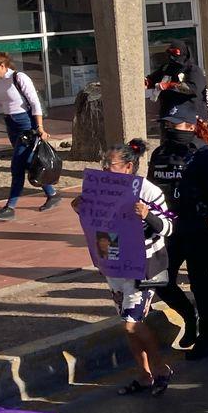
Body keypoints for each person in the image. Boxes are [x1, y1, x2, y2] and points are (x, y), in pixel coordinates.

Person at [72, 139, 175, 395]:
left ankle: (161, 368)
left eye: (111, 165)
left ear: (128, 167)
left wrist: (147, 215)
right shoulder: (100, 189)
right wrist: (81, 209)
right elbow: (97, 222)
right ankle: (144, 375)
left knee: (132, 322)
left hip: (144, 264)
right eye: (103, 164)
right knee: (126, 323)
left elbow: (169, 227)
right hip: (114, 260)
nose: (105, 170)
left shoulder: (148, 191)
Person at [150, 103, 208, 360]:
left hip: (199, 231)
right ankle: (189, 317)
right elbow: (151, 190)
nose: (171, 130)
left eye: (177, 125)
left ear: (191, 126)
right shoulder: (159, 153)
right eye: (168, 125)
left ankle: (207, 339)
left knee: (201, 285)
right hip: (168, 229)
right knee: (160, 280)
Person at [0, 52, 60, 221]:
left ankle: (10, 207)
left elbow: (34, 102)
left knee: (17, 166)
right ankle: (52, 194)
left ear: (3, 66)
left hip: (26, 125)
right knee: (30, 162)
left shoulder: (19, 77)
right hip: (11, 124)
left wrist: (40, 127)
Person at [144, 40, 208, 126]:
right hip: (168, 113)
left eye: (175, 54)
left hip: (190, 115)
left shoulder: (193, 70)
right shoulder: (166, 68)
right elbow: (152, 80)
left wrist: (170, 86)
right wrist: (147, 82)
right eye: (170, 53)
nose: (172, 57)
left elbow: (192, 89)